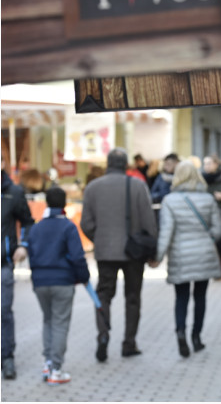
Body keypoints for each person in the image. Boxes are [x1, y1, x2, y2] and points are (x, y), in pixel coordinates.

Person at [80, 148, 158, 362]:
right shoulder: (137, 186)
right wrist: (153, 250)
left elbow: (85, 223)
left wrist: (100, 238)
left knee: (104, 294)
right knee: (133, 297)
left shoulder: (93, 188)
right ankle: (129, 343)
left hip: (105, 251)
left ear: (108, 164)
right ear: (126, 165)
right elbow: (148, 221)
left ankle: (103, 334)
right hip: (134, 251)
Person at [156, 161, 221, 357]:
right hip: (204, 254)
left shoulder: (169, 200)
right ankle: (196, 336)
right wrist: (207, 238)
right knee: (200, 296)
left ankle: (180, 333)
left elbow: (166, 232)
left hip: (180, 255)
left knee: (181, 297)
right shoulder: (208, 199)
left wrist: (158, 257)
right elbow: (219, 229)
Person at [27, 187, 90, 385]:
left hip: (40, 281)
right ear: (64, 204)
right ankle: (56, 368)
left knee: (48, 320)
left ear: (46, 202)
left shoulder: (36, 227)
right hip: (62, 280)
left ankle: (47, 362)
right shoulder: (68, 227)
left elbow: (31, 254)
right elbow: (78, 257)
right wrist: (83, 277)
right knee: (60, 323)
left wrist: (36, 276)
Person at [1, 156, 34, 380]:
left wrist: (23, 245)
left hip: (3, 263)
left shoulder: (13, 191)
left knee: (3, 312)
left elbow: (28, 222)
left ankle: (7, 357)